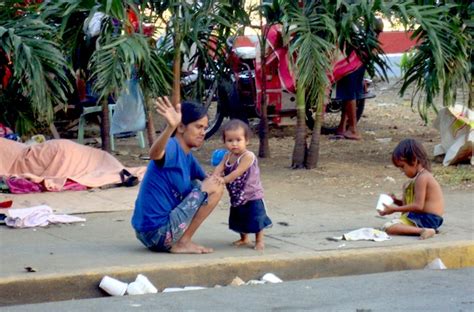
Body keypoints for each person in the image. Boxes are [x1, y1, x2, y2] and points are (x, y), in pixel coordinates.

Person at [131, 97, 224, 254]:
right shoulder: (173, 146)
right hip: (157, 233)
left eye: (205, 128)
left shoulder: (187, 157)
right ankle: (183, 242)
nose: (203, 132)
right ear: (181, 127)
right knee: (214, 188)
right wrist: (169, 127)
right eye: (198, 127)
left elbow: (208, 179)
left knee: (210, 184)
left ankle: (181, 240)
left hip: (148, 233)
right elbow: (154, 154)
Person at [212, 119, 272, 250]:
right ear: (224, 141)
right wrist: (214, 176)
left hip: (252, 194)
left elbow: (238, 172)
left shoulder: (248, 156)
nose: (234, 144)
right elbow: (219, 167)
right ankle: (244, 238)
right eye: (230, 140)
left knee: (256, 218)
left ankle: (259, 240)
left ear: (247, 140)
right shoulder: (227, 156)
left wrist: (224, 179)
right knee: (239, 217)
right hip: (237, 194)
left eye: (238, 140)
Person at [379, 138, 444, 239]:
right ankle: (425, 229)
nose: (402, 171)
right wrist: (395, 201)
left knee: (389, 227)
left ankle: (423, 230)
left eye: (402, 166)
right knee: (407, 187)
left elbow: (418, 206)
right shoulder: (420, 177)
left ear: (414, 160)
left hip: (427, 218)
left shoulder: (422, 178)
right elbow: (411, 205)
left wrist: (394, 209)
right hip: (427, 218)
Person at [336, 17, 384, 140]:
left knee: (349, 94)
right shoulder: (363, 28)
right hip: (355, 62)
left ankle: (348, 128)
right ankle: (347, 128)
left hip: (349, 62)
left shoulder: (356, 24)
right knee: (351, 94)